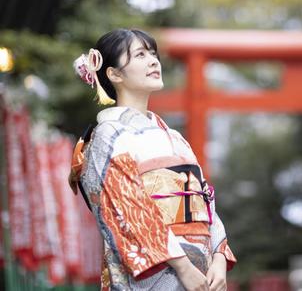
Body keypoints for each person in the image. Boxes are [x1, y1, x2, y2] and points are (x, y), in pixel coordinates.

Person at [68, 29, 236, 291]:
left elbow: (205, 202)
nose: (153, 61)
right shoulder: (108, 135)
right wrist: (182, 266)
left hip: (201, 270)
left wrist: (218, 258)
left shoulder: (175, 137)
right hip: (155, 272)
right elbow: (129, 210)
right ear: (114, 74)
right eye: (140, 55)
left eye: (153, 54)